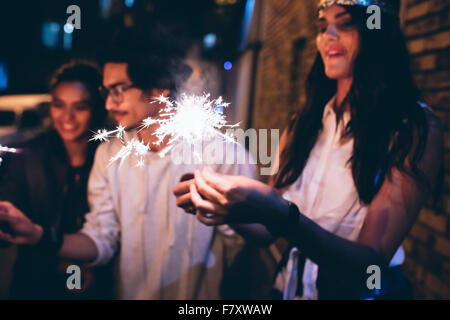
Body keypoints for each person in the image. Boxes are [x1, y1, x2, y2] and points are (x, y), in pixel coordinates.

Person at [174, 0, 444, 299]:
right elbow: (268, 230)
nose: (328, 36)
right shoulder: (303, 124)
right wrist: (227, 207)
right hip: (289, 288)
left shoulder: (412, 128)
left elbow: (370, 266)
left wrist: (282, 214)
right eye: (322, 27)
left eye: (344, 24)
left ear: (376, 29)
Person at [0, 27, 256, 299]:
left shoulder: (221, 153)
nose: (109, 103)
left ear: (160, 86)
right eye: (106, 91)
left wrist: (242, 209)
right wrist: (39, 235)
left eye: (119, 89)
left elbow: (251, 244)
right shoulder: (111, 154)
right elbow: (101, 238)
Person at [0, 59, 111, 299]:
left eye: (80, 107)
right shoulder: (27, 156)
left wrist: (90, 261)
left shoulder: (111, 159)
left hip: (98, 285)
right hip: (35, 283)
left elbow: (117, 231)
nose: (67, 117)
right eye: (59, 105)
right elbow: (9, 223)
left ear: (98, 108)